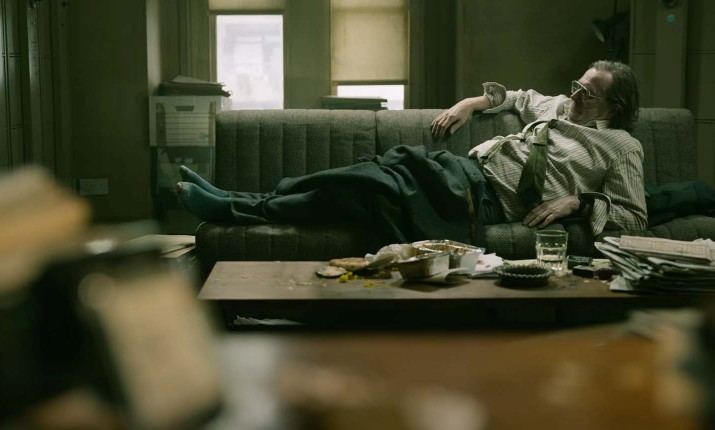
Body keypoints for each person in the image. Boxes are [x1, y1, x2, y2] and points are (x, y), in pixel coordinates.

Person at [176, 60, 647, 246]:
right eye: (576, 85)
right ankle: (235, 204)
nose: (574, 95)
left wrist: (577, 202)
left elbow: (633, 217)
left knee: (365, 186)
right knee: (364, 182)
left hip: (480, 201)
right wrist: (468, 104)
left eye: (587, 93)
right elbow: (516, 96)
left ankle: (232, 206)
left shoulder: (622, 148)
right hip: (462, 170)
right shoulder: (557, 106)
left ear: (613, 106)